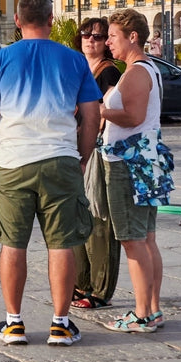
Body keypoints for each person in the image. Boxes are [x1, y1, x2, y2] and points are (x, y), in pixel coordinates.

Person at [0, 0, 101, 347]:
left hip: (13, 162)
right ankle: (60, 323)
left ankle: (13, 323)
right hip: (60, 159)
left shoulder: (1, 58)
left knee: (12, 244)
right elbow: (92, 116)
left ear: (17, 21)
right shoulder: (74, 59)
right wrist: (82, 156)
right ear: (50, 19)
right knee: (61, 243)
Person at [100, 9, 173, 335]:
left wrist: (100, 109)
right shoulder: (147, 69)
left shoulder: (136, 72)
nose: (107, 42)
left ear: (132, 37)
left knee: (132, 240)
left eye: (113, 36)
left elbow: (132, 116)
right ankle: (152, 309)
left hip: (128, 164)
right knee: (146, 238)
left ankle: (143, 313)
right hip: (145, 161)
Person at [71, 18, 123, 310]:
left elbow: (105, 112)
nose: (91, 40)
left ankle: (100, 289)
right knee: (77, 213)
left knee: (99, 218)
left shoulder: (109, 71)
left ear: (106, 42)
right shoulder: (79, 67)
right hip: (74, 145)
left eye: (99, 36)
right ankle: (80, 282)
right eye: (86, 35)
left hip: (98, 149)